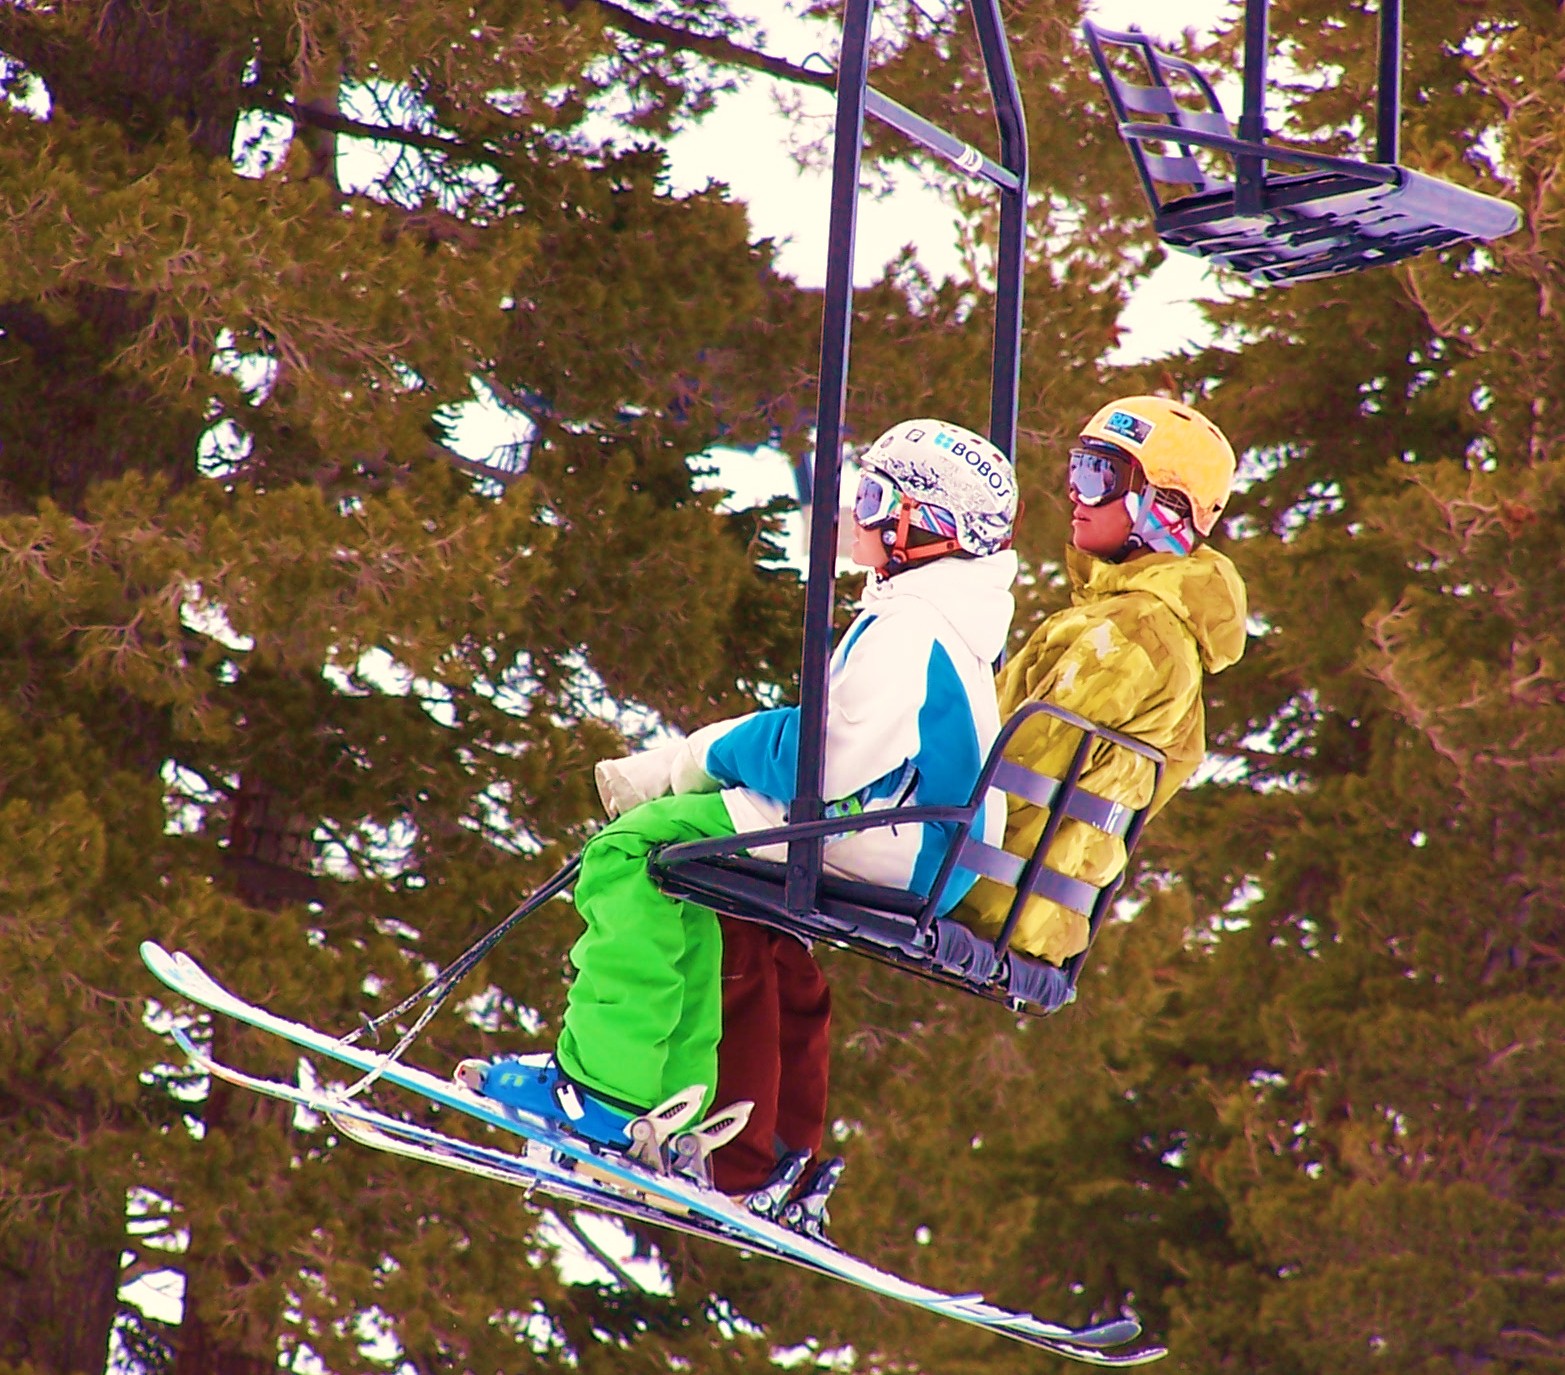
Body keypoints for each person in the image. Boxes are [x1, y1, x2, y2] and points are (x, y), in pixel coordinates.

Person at [460, 418, 1020, 1208]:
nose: (856, 513)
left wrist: (716, 750)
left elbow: (821, 763)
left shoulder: (913, 627)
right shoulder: (946, 619)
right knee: (686, 868)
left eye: (872, 496)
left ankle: (606, 1092)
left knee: (629, 851)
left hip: (897, 841)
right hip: (920, 838)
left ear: (921, 523)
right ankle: (668, 1111)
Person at [954, 395, 1248, 966]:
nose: (1074, 493)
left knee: (746, 846)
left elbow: (1007, 773)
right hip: (1028, 906)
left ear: (1162, 506)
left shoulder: (1131, 633)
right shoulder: (1156, 630)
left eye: (1098, 477)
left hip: (978, 887)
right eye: (1077, 470)